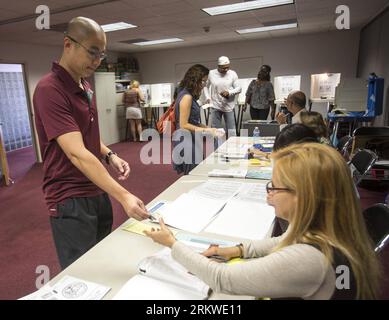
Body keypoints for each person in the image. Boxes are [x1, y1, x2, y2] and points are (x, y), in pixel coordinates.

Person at [146, 143, 381, 299]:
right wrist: (236, 249)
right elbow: (284, 239)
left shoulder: (309, 259)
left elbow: (223, 279)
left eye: (275, 187)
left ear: (304, 196)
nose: (268, 193)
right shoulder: (330, 229)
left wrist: (172, 244)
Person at [33, 17, 149, 269]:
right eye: (92, 53)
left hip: (95, 187)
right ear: (68, 44)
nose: (97, 61)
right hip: (69, 196)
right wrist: (124, 195)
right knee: (82, 273)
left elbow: (87, 136)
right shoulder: (49, 89)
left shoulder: (83, 84)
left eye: (101, 55)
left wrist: (110, 156)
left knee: (102, 263)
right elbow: (76, 154)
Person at [172, 64, 224, 175]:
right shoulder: (187, 97)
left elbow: (192, 121)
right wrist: (207, 131)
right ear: (195, 80)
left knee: (196, 172)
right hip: (185, 140)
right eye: (203, 81)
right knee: (193, 175)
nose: (204, 85)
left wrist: (209, 128)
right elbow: (184, 124)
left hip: (190, 138)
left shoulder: (187, 94)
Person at [203, 56, 241, 137]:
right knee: (216, 129)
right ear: (218, 66)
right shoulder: (211, 73)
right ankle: (217, 147)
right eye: (224, 68)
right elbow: (205, 86)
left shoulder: (232, 73)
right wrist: (207, 97)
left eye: (228, 67)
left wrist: (229, 92)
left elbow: (239, 88)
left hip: (228, 105)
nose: (226, 70)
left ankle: (232, 147)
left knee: (231, 130)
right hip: (215, 104)